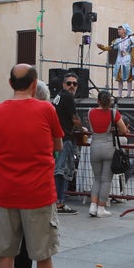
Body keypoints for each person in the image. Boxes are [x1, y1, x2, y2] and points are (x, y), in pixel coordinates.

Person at [0, 64, 66, 268]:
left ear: (10, 83)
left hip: (5, 193)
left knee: (6, 254)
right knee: (43, 254)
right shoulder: (46, 109)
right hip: (38, 192)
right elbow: (57, 144)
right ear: (34, 84)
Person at [85, 91, 129, 217]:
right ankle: (101, 207)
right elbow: (123, 130)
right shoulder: (114, 113)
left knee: (97, 179)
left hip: (94, 145)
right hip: (109, 146)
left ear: (97, 101)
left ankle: (93, 206)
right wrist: (113, 129)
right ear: (110, 101)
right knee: (106, 180)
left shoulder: (90, 112)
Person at [51, 72, 82, 215]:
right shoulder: (67, 97)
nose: (72, 86)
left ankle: (56, 201)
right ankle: (59, 203)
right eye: (69, 83)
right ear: (63, 84)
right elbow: (75, 118)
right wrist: (81, 128)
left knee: (58, 170)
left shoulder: (58, 97)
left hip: (56, 138)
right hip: (64, 138)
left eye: (74, 84)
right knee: (61, 171)